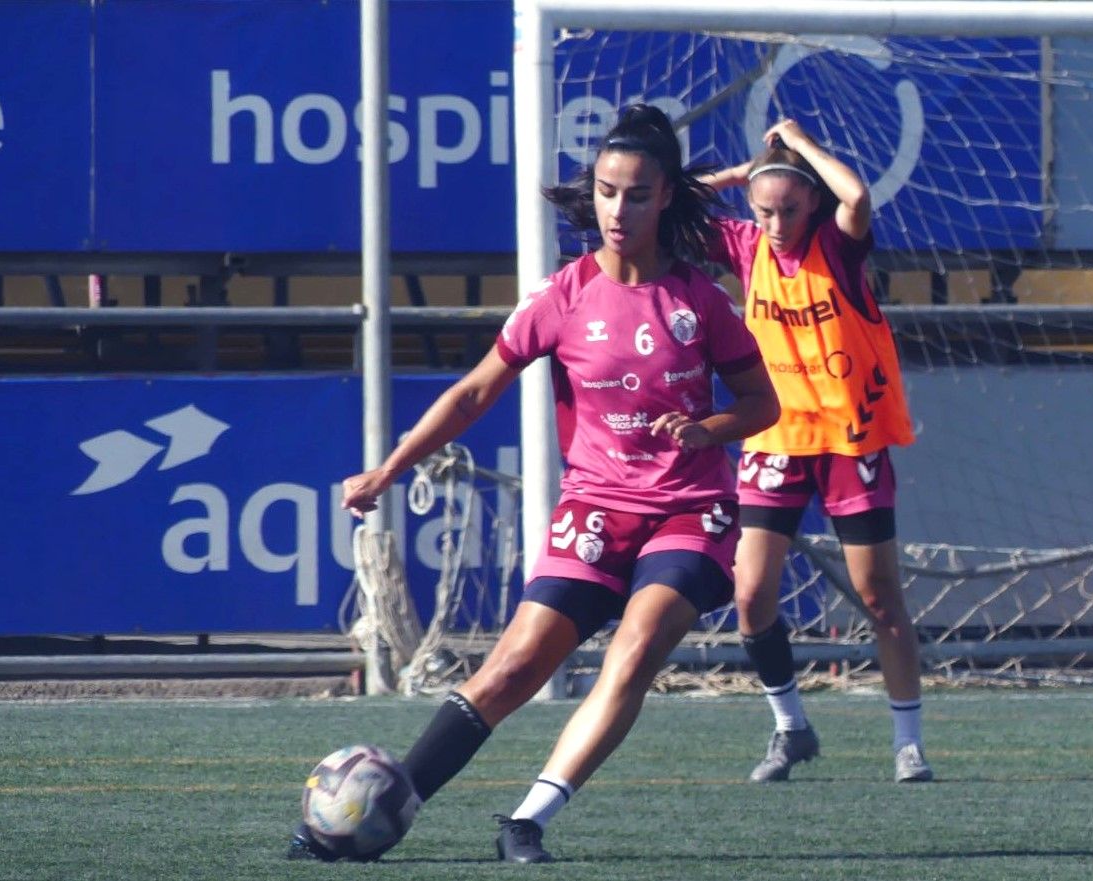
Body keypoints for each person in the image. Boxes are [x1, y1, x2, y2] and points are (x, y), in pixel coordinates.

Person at [288, 104, 779, 862]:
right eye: (609, 191)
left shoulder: (700, 302)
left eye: (638, 194)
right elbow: (473, 393)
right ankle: (383, 807)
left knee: (636, 646)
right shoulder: (562, 295)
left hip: (688, 510)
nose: (619, 208)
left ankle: (527, 819)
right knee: (513, 666)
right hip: (594, 508)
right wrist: (389, 468)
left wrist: (707, 429)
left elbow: (762, 404)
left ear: (666, 198)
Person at [701, 120, 931, 784]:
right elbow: (675, 200)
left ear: (810, 205)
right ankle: (790, 726)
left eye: (788, 209)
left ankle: (907, 741)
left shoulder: (837, 245)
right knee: (750, 595)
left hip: (848, 437)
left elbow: (854, 196)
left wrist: (796, 144)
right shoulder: (745, 246)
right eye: (763, 209)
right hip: (775, 435)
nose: (775, 222)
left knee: (877, 592)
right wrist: (737, 174)